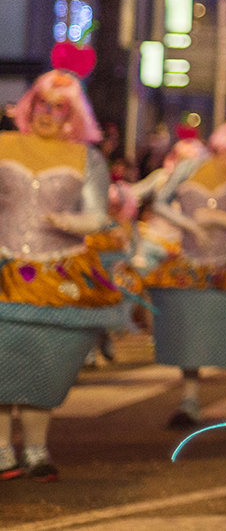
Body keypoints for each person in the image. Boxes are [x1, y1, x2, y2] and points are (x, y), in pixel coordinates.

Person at [0, 48, 121, 480]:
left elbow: (99, 215)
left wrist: (72, 222)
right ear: (29, 105)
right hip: (5, 268)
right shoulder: (4, 145)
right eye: (42, 104)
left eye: (59, 107)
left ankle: (36, 448)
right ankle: (1, 450)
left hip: (59, 272)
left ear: (73, 114)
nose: (48, 114)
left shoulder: (87, 158)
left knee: (44, 361)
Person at [147, 114, 226, 427]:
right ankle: (189, 399)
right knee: (190, 330)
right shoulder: (188, 168)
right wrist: (190, 225)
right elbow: (159, 202)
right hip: (190, 263)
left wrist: (222, 220)